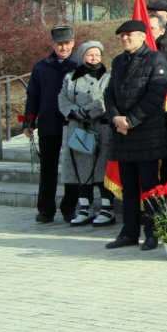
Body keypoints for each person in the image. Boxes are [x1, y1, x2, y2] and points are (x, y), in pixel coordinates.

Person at [103, 20, 167, 250]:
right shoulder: (118, 61)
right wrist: (115, 118)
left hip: (146, 134)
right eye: (122, 35)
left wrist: (130, 120)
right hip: (123, 135)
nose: (124, 38)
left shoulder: (155, 59)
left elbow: (155, 95)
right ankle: (129, 233)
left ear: (143, 36)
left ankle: (152, 233)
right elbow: (109, 93)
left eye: (129, 34)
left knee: (150, 187)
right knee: (129, 187)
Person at [24, 25, 80, 224]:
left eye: (67, 43)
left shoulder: (79, 65)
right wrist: (29, 121)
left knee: (72, 169)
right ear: (53, 44)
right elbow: (33, 95)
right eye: (59, 44)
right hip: (48, 124)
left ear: (73, 43)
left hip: (72, 125)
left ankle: (69, 208)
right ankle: (46, 210)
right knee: (47, 170)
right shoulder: (41, 66)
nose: (63, 48)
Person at [57, 41, 114, 227]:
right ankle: (85, 208)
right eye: (90, 54)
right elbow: (62, 98)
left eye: (97, 54)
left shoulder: (109, 77)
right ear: (82, 56)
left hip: (100, 130)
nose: (94, 58)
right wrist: (74, 112)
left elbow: (107, 99)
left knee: (101, 169)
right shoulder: (70, 77)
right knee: (79, 170)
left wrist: (87, 112)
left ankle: (107, 208)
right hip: (77, 131)